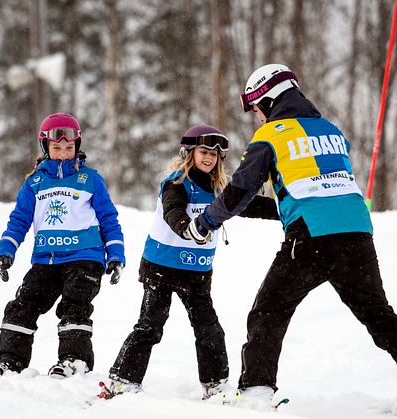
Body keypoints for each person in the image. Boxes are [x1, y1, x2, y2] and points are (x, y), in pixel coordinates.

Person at [186, 64, 397, 417]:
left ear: (268, 98)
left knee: (269, 311)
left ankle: (256, 392)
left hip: (311, 235)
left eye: (257, 109)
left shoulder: (272, 135)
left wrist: (207, 221)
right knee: (378, 314)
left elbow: (242, 188)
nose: (258, 118)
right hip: (357, 232)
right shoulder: (331, 129)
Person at [104, 125, 280, 400]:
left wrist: (288, 211)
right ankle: (123, 379)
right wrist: (187, 228)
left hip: (196, 272)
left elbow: (253, 206)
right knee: (150, 324)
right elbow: (173, 210)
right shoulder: (177, 182)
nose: (209, 158)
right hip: (161, 266)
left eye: (215, 154)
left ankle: (215, 384)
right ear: (189, 152)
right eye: (204, 152)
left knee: (209, 328)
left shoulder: (221, 189)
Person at [0, 112, 125, 379]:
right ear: (45, 147)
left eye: (69, 148)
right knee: (22, 305)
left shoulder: (90, 179)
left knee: (75, 304)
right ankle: (9, 361)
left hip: (85, 258)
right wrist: (6, 251)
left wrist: (115, 254)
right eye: (57, 148)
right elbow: (19, 220)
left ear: (77, 146)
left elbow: (109, 219)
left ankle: (74, 361)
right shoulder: (35, 183)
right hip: (47, 261)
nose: (63, 153)